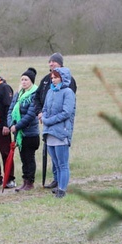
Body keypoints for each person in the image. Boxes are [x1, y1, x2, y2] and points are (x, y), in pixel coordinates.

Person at [33, 53, 77, 189]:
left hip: (61, 130)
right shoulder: (49, 89)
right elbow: (41, 102)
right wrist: (41, 114)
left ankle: (62, 189)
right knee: (56, 162)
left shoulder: (68, 90)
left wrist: (49, 120)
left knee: (62, 163)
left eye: (55, 77)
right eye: (49, 62)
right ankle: (56, 182)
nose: (52, 79)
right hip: (49, 130)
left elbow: (67, 112)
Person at [7, 68, 41, 192]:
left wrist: (17, 126)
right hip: (19, 134)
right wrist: (11, 124)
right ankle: (24, 181)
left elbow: (31, 114)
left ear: (31, 81)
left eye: (26, 79)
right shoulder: (18, 94)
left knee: (29, 158)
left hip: (30, 133)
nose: (23, 82)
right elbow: (10, 110)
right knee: (23, 158)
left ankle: (30, 182)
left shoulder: (35, 94)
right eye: (22, 79)